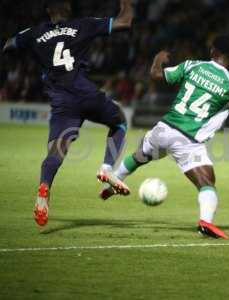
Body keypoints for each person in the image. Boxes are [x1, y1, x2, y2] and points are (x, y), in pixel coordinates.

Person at [97, 36, 229, 239]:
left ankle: (113, 182)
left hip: (164, 128)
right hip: (188, 139)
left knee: (141, 155)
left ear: (212, 52)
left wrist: (158, 59)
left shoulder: (192, 66)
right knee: (206, 183)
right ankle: (205, 222)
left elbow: (156, 75)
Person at [2, 0, 134, 227]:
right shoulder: (83, 25)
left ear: (47, 10)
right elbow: (125, 22)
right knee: (119, 121)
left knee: (56, 151)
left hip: (62, 103)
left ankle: (44, 187)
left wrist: (29, 51)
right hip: (86, 94)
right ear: (69, 8)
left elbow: (9, 45)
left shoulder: (33, 33)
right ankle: (106, 168)